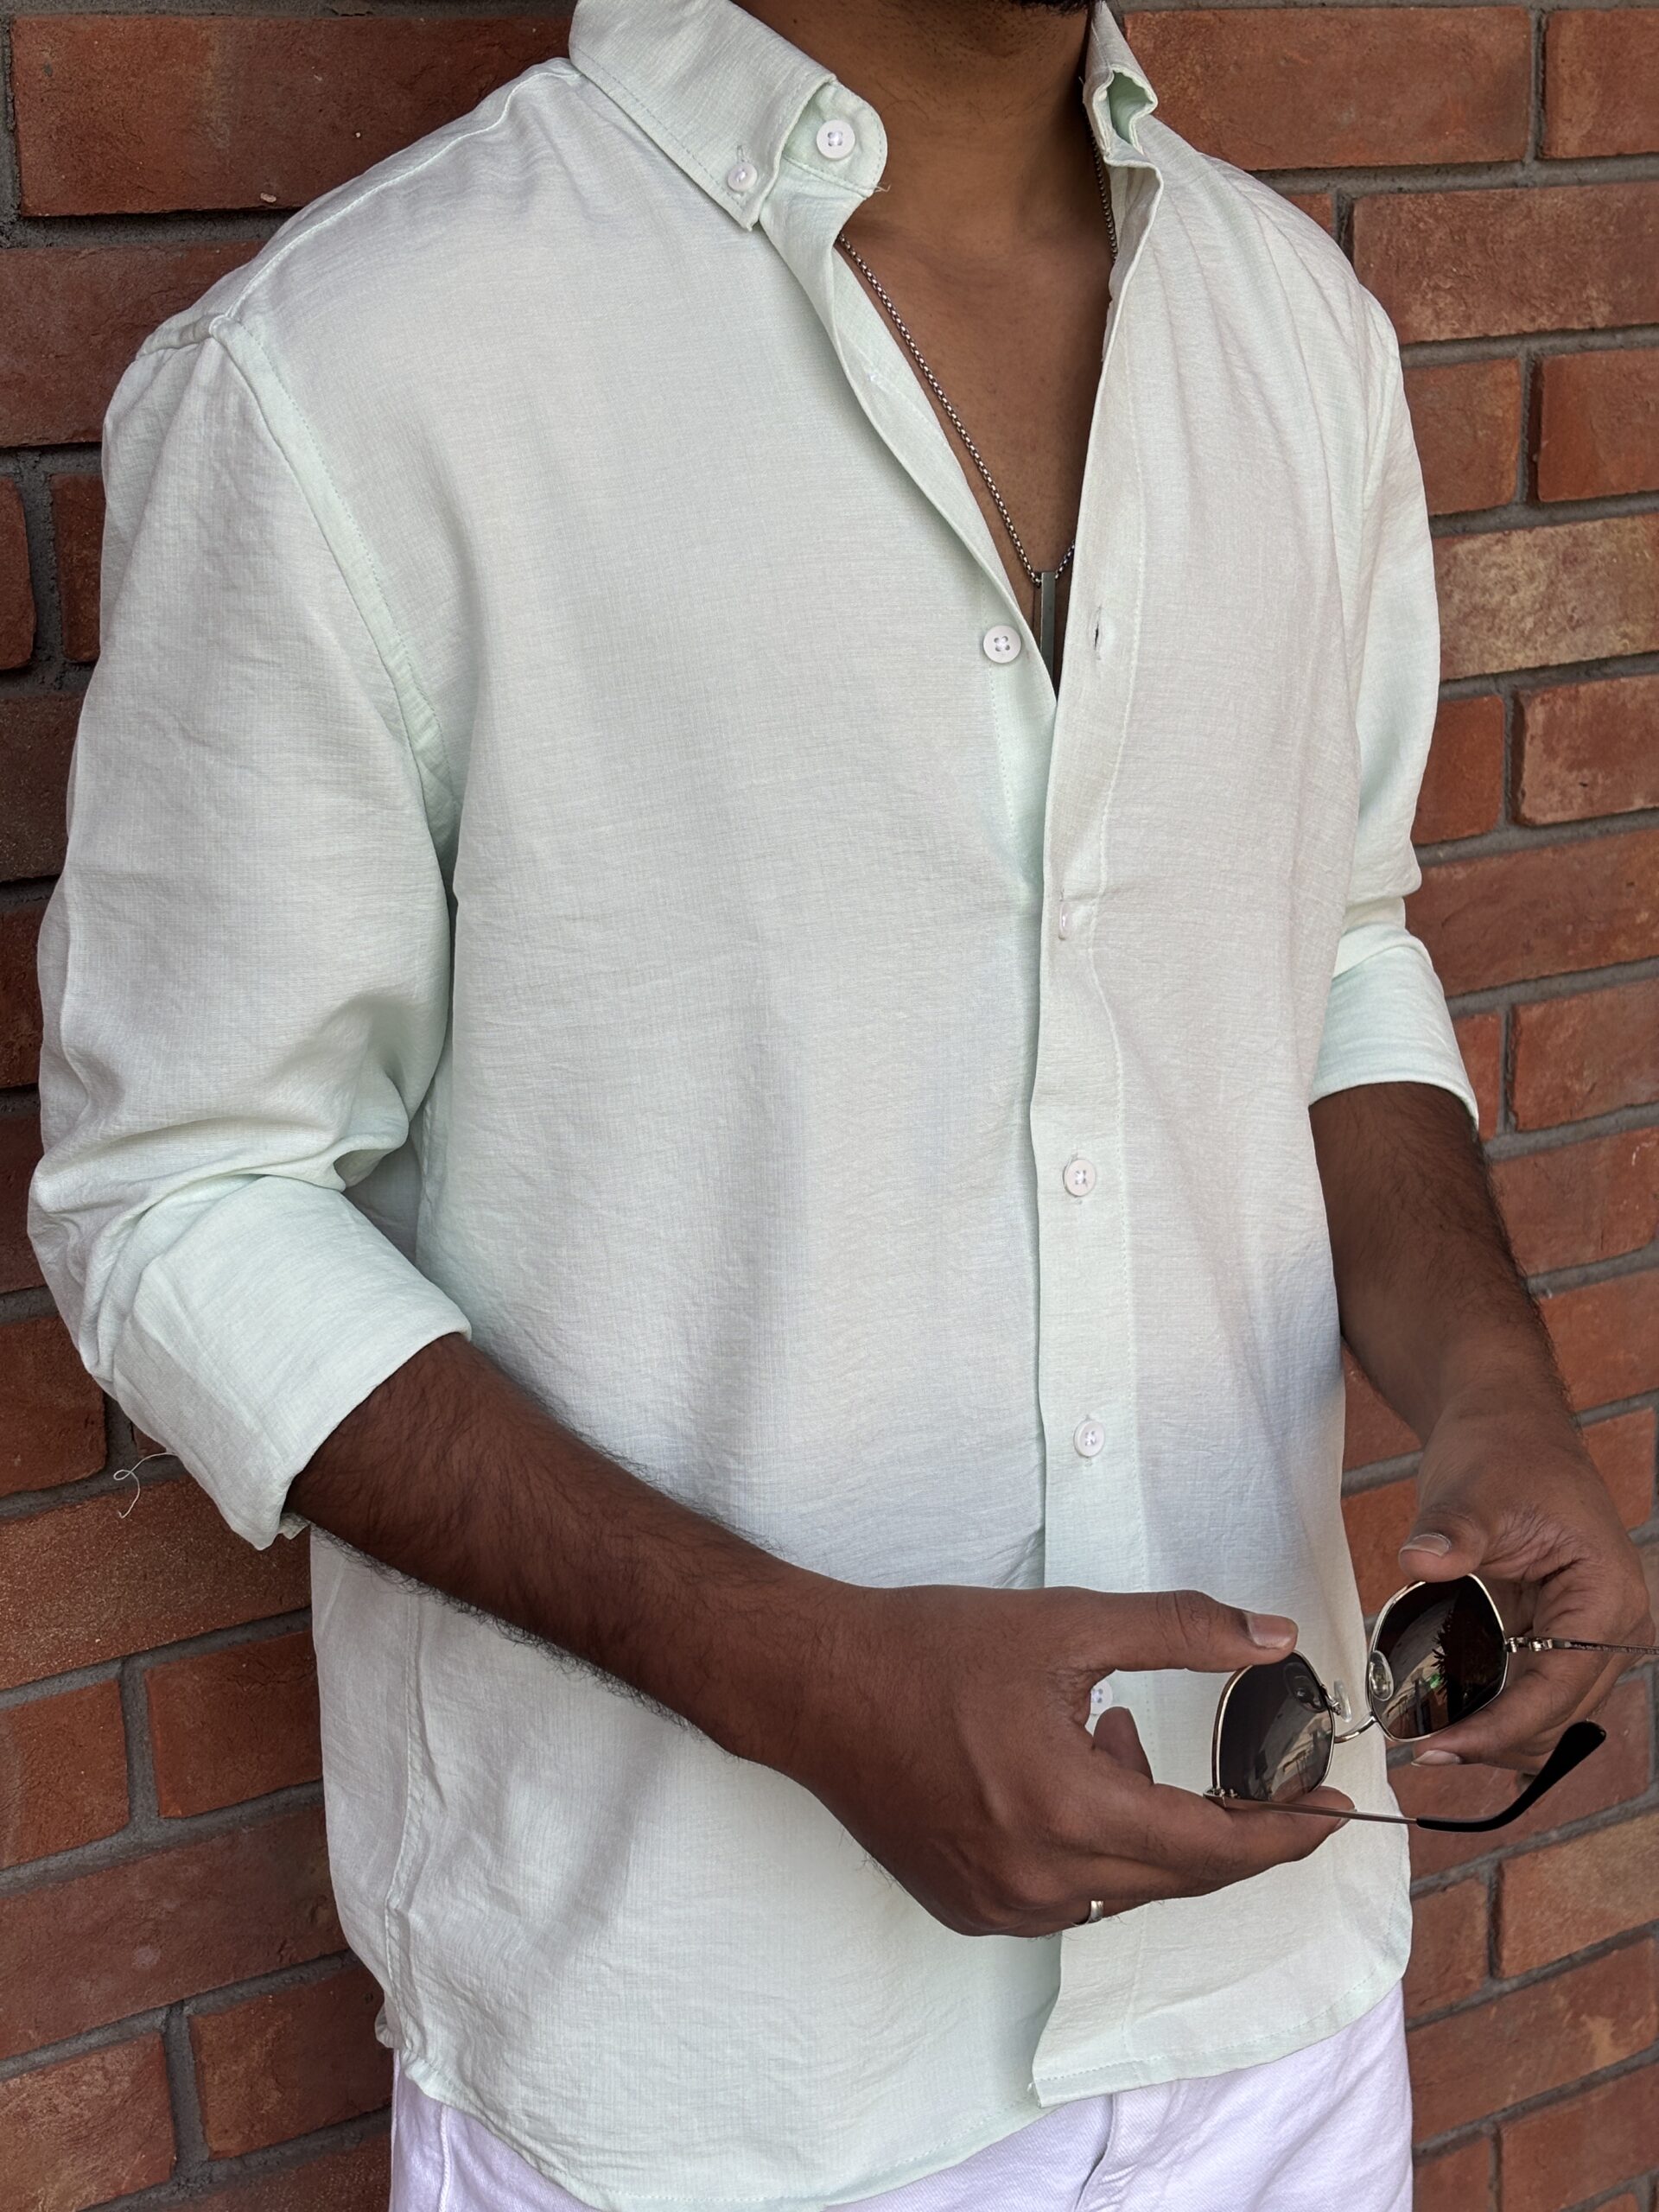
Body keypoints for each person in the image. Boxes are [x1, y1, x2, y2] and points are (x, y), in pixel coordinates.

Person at [29, 1, 1652, 2207]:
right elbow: (182, 1191)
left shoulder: (1296, 335)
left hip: (1272, 2014)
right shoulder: (356, 372)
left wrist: (1494, 1386)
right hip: (712, 2066)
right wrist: (799, 1674)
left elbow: (1334, 945)